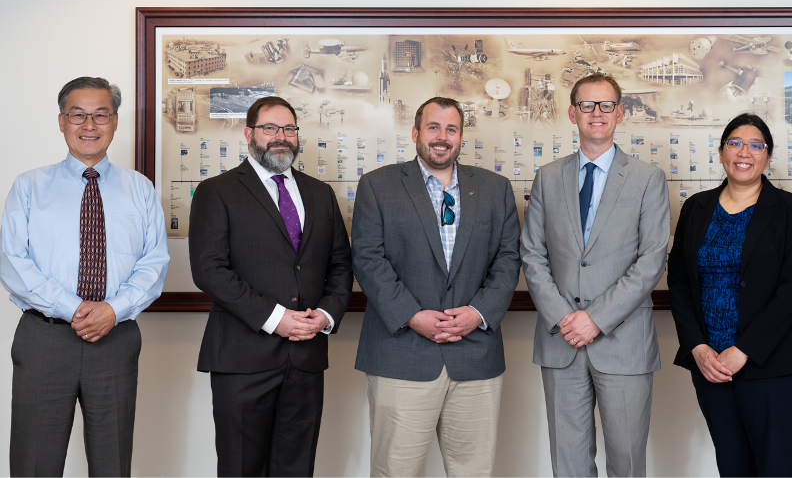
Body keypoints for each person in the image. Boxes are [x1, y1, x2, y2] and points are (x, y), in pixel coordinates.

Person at [0, 76, 169, 478]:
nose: (89, 125)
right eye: (78, 114)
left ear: (115, 121)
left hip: (116, 338)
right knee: (34, 462)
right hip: (45, 339)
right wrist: (76, 308)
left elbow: (155, 262)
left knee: (112, 463)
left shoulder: (140, 189)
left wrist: (112, 309)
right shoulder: (28, 187)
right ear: (61, 121)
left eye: (100, 115)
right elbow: (13, 262)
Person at [352, 97, 521, 478]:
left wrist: (477, 313)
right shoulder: (378, 185)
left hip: (475, 355)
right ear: (415, 133)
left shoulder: (495, 189)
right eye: (433, 127)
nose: (441, 137)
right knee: (395, 471)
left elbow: (508, 260)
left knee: (474, 472)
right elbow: (367, 259)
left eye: (451, 129)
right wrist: (411, 316)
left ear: (461, 137)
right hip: (401, 354)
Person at [188, 96, 352, 478]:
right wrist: (275, 318)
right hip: (243, 358)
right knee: (242, 468)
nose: (281, 137)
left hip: (307, 358)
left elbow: (341, 266)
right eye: (270, 129)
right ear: (249, 134)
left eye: (289, 129)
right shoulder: (217, 191)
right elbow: (209, 270)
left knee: (297, 468)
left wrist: (325, 316)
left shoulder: (320, 194)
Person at [520, 74, 670, 478]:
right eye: (588, 105)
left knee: (627, 462)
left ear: (620, 113)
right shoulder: (548, 177)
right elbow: (532, 253)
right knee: (568, 464)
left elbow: (652, 259)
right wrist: (564, 319)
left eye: (606, 105)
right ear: (573, 113)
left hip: (623, 343)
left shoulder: (647, 179)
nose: (597, 114)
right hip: (560, 341)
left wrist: (595, 319)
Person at [668, 113, 792, 478]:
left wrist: (743, 349)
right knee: (732, 467)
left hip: (772, 366)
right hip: (711, 367)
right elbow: (681, 283)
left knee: (777, 468)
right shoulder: (696, 208)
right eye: (734, 143)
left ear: (767, 156)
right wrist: (698, 348)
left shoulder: (791, 210)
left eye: (755, 145)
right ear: (721, 152)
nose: (744, 152)